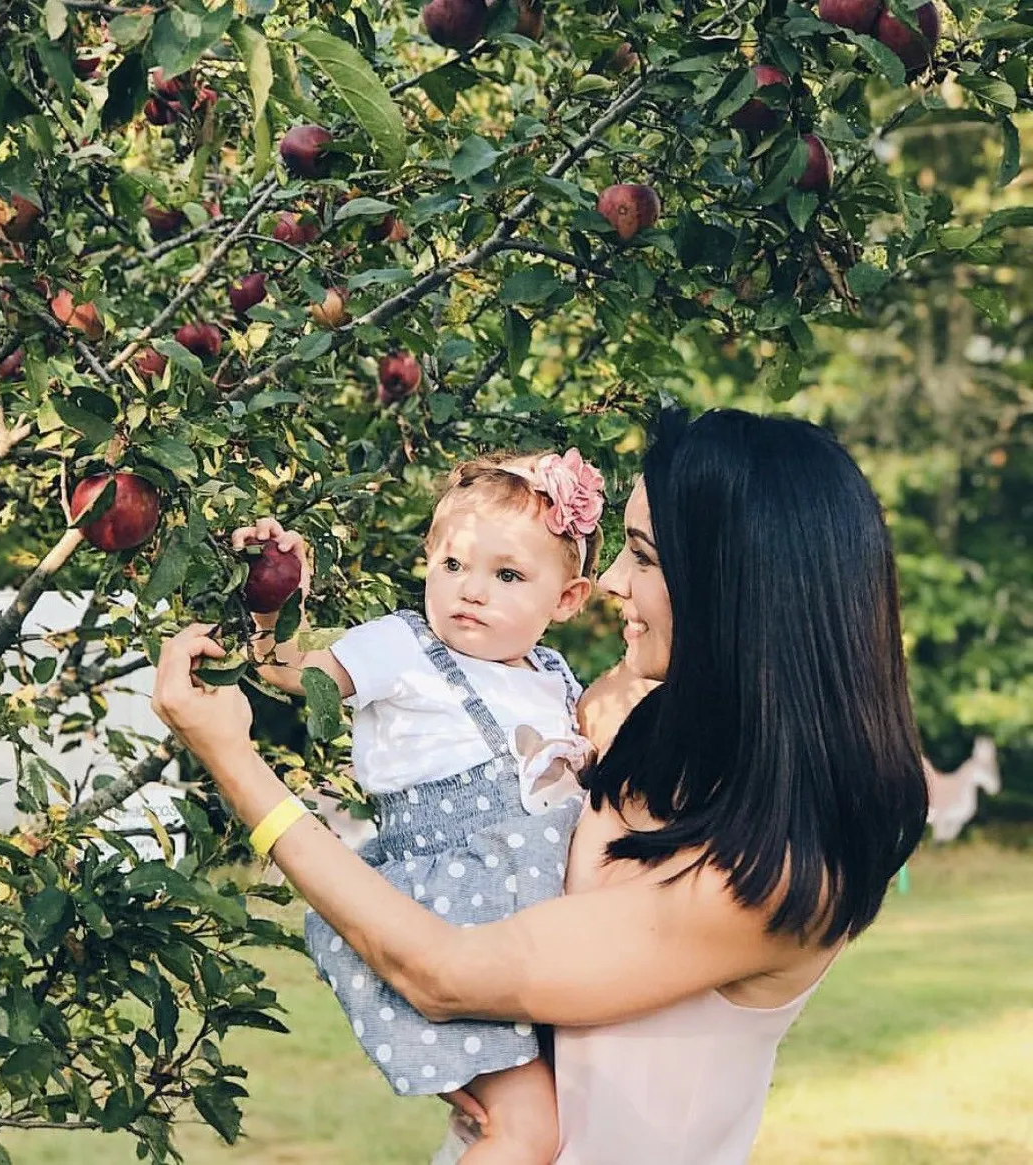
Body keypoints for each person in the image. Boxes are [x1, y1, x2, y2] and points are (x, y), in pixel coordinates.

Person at [151, 408, 929, 1165]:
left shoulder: (777, 874)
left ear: (739, 586)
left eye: (643, 557)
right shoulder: (644, 730)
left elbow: (443, 972)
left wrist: (234, 762)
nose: (612, 581)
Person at [227, 447, 608, 1165]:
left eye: (507, 575)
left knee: (555, 1120)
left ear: (566, 600)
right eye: (453, 564)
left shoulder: (556, 679)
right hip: (449, 923)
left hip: (540, 941)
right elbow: (292, 671)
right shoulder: (402, 647)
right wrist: (272, 601)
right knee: (527, 1131)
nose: (471, 590)